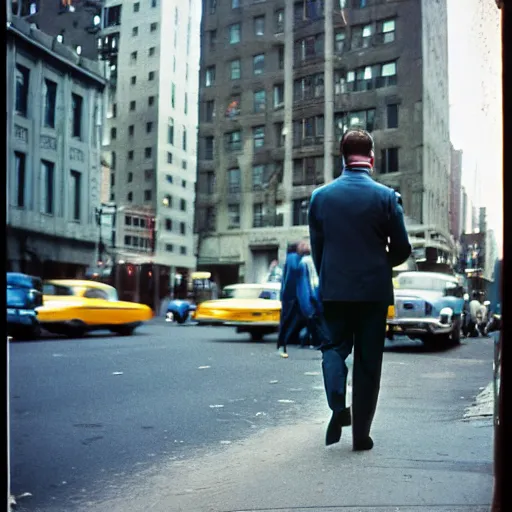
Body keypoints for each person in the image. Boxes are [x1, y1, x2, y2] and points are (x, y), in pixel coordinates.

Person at [308, 129, 411, 450]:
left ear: (342, 156)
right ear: (372, 156)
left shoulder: (320, 198)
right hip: (373, 293)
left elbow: (317, 250)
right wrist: (381, 264)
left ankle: (339, 409)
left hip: (334, 290)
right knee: (368, 364)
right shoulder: (386, 197)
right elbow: (403, 248)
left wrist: (332, 276)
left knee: (333, 349)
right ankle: (360, 435)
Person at [296, 241, 331, 349]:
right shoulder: (311, 260)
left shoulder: (303, 262)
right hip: (318, 291)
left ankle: (321, 340)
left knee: (316, 321)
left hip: (313, 293)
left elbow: (306, 282)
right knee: (318, 321)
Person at [277, 242, 308, 358]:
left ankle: (284, 344)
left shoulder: (296, 258)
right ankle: (281, 344)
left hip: (296, 295)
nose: (306, 246)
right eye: (303, 245)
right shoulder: (293, 258)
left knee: (311, 318)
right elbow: (293, 273)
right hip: (292, 295)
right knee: (287, 320)